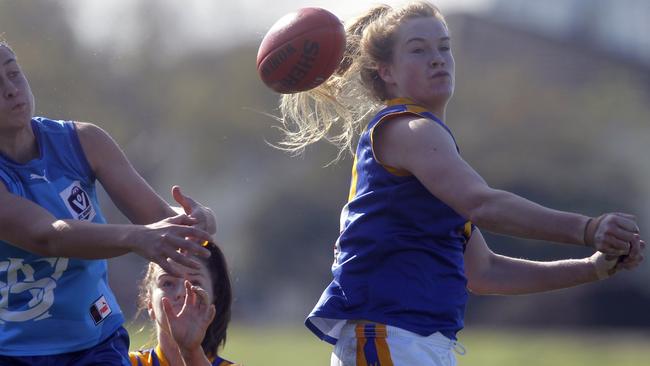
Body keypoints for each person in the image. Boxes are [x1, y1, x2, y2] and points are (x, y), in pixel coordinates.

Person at [275, 2, 646, 365]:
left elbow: (484, 271)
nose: (437, 58)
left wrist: (593, 267)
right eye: (418, 50)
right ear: (386, 72)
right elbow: (483, 204)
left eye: (444, 47)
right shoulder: (409, 129)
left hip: (413, 341)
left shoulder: (430, 149)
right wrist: (588, 228)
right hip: (390, 337)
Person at [0, 38, 216, 365]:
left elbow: (157, 218)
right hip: (15, 352)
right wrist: (136, 238)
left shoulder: (83, 141)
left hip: (98, 343)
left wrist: (197, 217)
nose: (11, 89)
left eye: (13, 73)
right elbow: (48, 236)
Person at [130, 241, 236, 366]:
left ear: (214, 300)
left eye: (195, 283)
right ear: (149, 303)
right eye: (168, 283)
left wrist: (190, 352)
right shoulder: (125, 362)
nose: (181, 292)